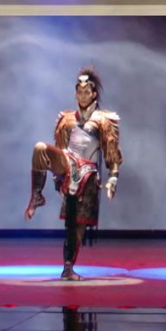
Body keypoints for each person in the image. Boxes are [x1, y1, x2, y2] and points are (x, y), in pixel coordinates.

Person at [25, 68, 122, 281]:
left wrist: (113, 177)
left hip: (88, 173)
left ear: (94, 94)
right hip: (69, 164)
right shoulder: (67, 119)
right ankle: (37, 195)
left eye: (87, 92)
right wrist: (56, 176)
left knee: (76, 224)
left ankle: (68, 266)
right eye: (79, 92)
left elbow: (111, 151)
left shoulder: (103, 120)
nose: (83, 96)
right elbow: (60, 147)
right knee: (40, 148)